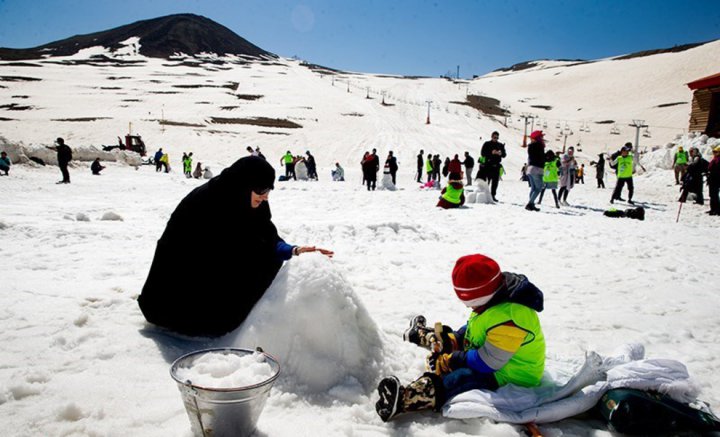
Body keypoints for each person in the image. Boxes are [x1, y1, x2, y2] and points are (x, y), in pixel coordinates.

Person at [138, 157, 333, 337]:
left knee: (267, 262)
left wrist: (293, 250)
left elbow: (266, 236)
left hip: (214, 274)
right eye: (261, 190)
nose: (265, 197)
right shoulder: (205, 204)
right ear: (244, 184)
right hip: (173, 297)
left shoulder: (251, 202)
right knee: (258, 270)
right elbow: (204, 257)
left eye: (268, 191)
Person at [375, 254, 545, 422]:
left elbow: (488, 363)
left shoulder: (511, 318)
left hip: (512, 374)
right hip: (494, 357)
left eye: (471, 304)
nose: (469, 308)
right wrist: (453, 340)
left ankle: (407, 398)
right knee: (446, 338)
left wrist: (454, 360)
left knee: (461, 378)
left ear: (483, 297)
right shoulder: (493, 300)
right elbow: (476, 328)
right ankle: (424, 336)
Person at [480, 131, 507, 202]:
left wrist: (501, 153)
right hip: (488, 165)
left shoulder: (500, 145)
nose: (496, 139)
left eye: (497, 137)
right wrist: (491, 152)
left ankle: (493, 195)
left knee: (495, 182)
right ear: (492, 136)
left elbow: (504, 155)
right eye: (495, 137)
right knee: (486, 181)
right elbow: (482, 153)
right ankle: (484, 195)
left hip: (496, 165)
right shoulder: (487, 144)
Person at [524, 130, 546, 211]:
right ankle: (530, 204)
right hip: (537, 169)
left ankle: (531, 204)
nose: (542, 138)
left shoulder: (531, 146)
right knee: (539, 188)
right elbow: (541, 157)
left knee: (533, 188)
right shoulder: (539, 145)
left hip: (530, 169)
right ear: (537, 138)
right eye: (541, 137)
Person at [707, 146, 720, 216]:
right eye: (713, 152)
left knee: (714, 195)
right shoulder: (715, 159)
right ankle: (713, 209)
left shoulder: (718, 160)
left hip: (716, 179)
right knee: (712, 195)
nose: (714, 153)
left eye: (716, 152)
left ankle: (717, 209)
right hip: (712, 179)